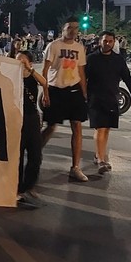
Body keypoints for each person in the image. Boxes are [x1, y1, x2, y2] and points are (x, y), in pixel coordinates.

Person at [41, 17, 89, 182]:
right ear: (63, 29)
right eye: (70, 28)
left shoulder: (79, 48)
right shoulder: (53, 45)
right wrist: (45, 91)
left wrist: (84, 93)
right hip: (56, 90)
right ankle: (34, 153)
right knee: (51, 126)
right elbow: (45, 70)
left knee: (77, 126)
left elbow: (81, 71)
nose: (73, 31)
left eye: (76, 28)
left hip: (74, 89)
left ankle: (75, 167)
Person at [85, 31, 131, 174]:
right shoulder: (91, 59)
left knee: (107, 128)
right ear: (99, 42)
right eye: (105, 41)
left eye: (110, 41)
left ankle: (99, 154)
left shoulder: (118, 60)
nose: (107, 43)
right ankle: (101, 159)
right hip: (95, 98)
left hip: (111, 98)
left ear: (114, 42)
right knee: (100, 128)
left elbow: (127, 78)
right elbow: (83, 79)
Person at [16, 51, 46, 204]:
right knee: (18, 155)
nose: (19, 61)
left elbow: (44, 83)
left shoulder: (32, 76)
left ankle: (30, 185)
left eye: (23, 59)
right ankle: (18, 188)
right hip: (17, 118)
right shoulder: (12, 76)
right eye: (17, 59)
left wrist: (30, 69)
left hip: (32, 117)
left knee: (35, 154)